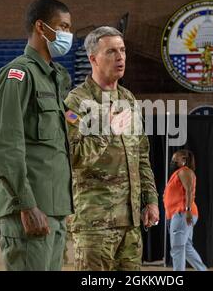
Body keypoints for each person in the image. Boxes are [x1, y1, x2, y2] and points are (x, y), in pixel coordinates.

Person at [0, 0, 74, 271]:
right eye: (63, 27)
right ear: (41, 27)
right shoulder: (18, 74)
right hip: (31, 208)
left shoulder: (56, 77)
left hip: (56, 208)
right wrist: (26, 204)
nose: (69, 35)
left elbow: (60, 138)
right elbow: (3, 144)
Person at [64, 26, 159, 271]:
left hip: (131, 223)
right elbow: (73, 157)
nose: (120, 57)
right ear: (93, 58)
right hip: (95, 225)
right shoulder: (75, 102)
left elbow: (142, 156)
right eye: (111, 52)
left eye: (123, 50)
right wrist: (108, 128)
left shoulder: (128, 100)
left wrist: (150, 200)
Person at [163, 149, 207, 271]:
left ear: (183, 159)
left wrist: (187, 210)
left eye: (174, 159)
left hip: (182, 213)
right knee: (186, 248)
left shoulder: (185, 171)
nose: (173, 161)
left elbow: (189, 191)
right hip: (179, 214)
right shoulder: (179, 173)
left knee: (178, 248)